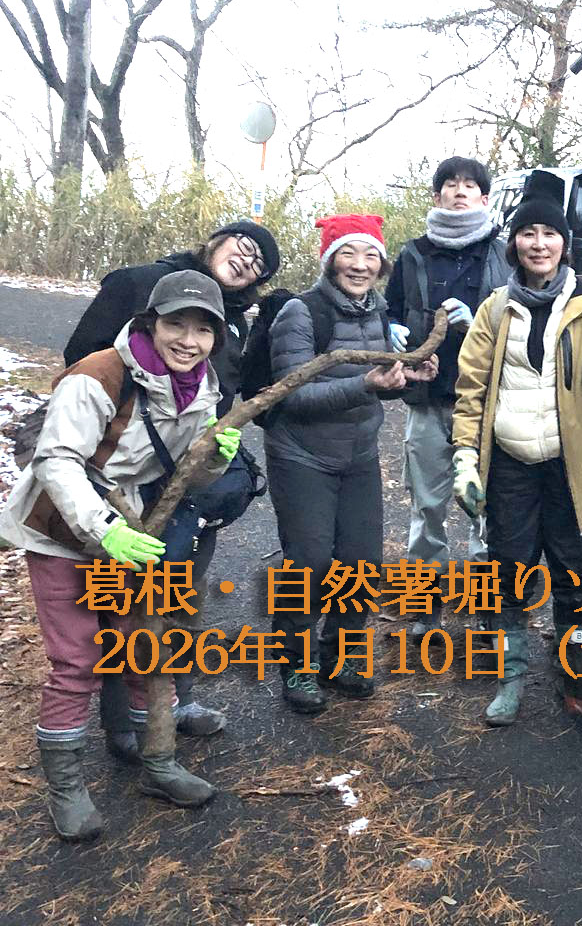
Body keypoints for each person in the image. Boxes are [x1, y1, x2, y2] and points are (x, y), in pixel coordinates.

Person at [0, 271, 242, 840]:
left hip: (133, 526)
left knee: (142, 647)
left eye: (202, 330)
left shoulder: (200, 384)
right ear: (150, 324)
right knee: (79, 660)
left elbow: (183, 470)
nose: (188, 339)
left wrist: (214, 459)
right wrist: (105, 530)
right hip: (61, 530)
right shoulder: (96, 377)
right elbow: (56, 461)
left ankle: (156, 764)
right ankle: (66, 789)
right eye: (176, 324)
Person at [60, 220, 280, 758]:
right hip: (126, 473)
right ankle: (125, 723)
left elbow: (236, 388)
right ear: (217, 239)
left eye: (259, 267)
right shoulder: (136, 282)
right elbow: (81, 359)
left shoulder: (233, 319)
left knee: (181, 588)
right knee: (125, 599)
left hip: (191, 470)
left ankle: (175, 699)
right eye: (244, 247)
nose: (246, 262)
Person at [451, 195, 582, 727]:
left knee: (577, 577)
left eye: (549, 234)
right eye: (528, 233)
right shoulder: (495, 307)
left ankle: (575, 671)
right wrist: (466, 456)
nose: (539, 244)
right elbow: (471, 388)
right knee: (509, 573)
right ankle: (510, 678)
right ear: (514, 243)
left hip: (570, 463)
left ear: (565, 243)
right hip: (511, 462)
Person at [266, 214, 436, 715]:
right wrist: (367, 386)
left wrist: (417, 376)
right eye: (348, 254)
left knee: (361, 563)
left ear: (381, 265)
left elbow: (389, 381)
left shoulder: (380, 314)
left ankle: (338, 660)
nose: (359, 265)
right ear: (329, 260)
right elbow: (292, 393)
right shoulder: (301, 313)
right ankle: (297, 668)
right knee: (310, 564)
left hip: (357, 456)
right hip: (301, 455)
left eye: (370, 256)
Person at [385, 157, 510, 649]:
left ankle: (484, 607)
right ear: (437, 196)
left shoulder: (501, 252)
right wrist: (391, 328)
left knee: (486, 506)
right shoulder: (414, 253)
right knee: (428, 507)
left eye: (470, 185)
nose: (460, 192)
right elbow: (389, 309)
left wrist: (477, 319)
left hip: (486, 402)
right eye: (451, 185)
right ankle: (422, 606)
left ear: (484, 197)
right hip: (427, 399)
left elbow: (519, 315)